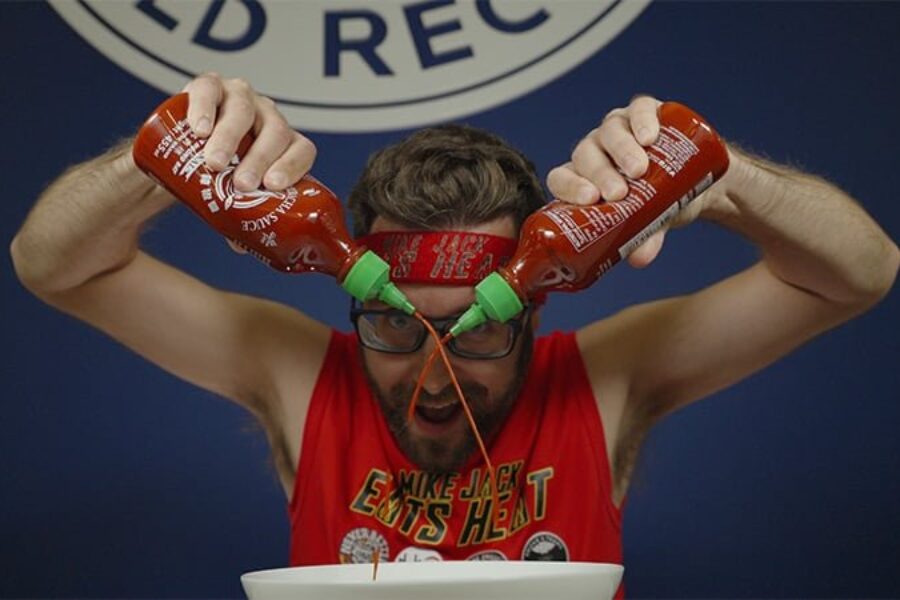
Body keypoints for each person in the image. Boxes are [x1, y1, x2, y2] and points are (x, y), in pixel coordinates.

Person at [10, 74, 898, 576]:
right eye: (398, 329)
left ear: (536, 299)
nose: (434, 378)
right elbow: (52, 265)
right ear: (355, 300)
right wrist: (166, 156)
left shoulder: (601, 378)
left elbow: (858, 275)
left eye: (475, 330)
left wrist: (725, 178)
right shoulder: (300, 375)